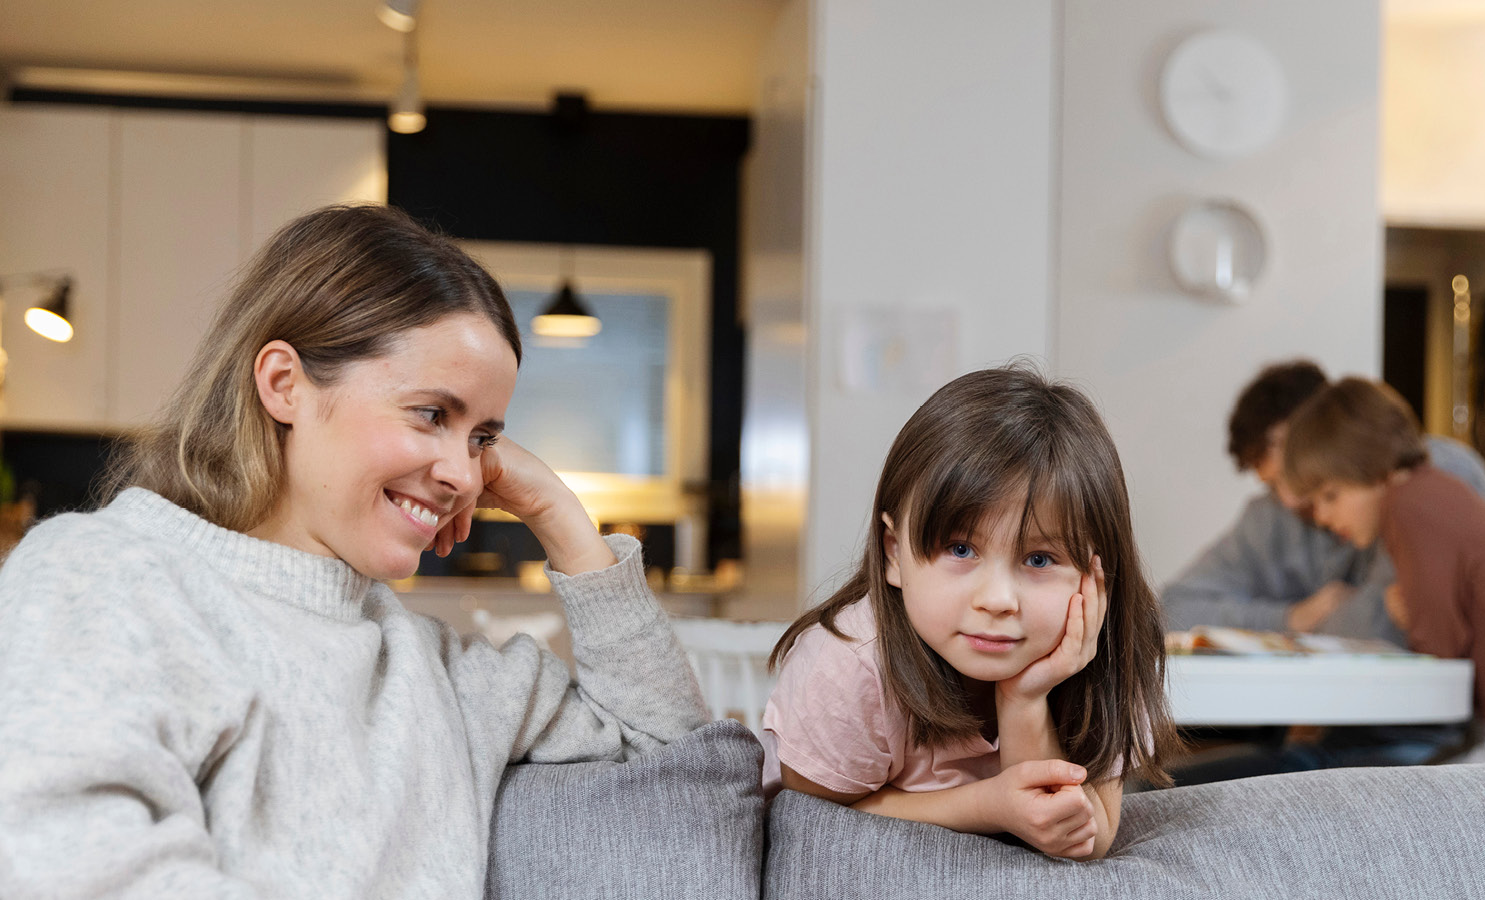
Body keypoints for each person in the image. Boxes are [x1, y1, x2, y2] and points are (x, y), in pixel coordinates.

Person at [0, 204, 708, 897]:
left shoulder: (437, 671)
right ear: (284, 385)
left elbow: (674, 763)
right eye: (432, 414)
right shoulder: (101, 576)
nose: (465, 475)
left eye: (483, 438)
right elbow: (68, 865)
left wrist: (558, 514)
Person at [761, 365, 1179, 861]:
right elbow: (803, 822)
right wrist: (986, 805)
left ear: (1097, 573)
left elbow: (1088, 841)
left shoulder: (1103, 652)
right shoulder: (850, 664)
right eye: (960, 550)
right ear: (894, 553)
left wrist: (1023, 699)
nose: (998, 599)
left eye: (1039, 559)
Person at [1283, 377, 1485, 762]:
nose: (1323, 516)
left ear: (1375, 470)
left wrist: (1409, 616)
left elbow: (1440, 654)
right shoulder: (1433, 493)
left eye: (1331, 496)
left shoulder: (1410, 508)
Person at [1163, 360, 1485, 642]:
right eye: (1275, 482)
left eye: (1306, 475)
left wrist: (1346, 618)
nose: (1292, 498)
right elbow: (1171, 609)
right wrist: (1290, 619)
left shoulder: (1427, 477)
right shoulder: (1269, 517)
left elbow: (1400, 622)